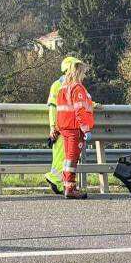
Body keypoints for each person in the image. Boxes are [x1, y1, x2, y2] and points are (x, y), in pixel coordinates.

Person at [55, 60, 96, 199]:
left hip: (65, 127)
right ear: (78, 72)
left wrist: (57, 127)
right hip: (74, 129)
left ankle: (67, 185)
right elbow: (80, 110)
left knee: (68, 159)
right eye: (83, 72)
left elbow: (60, 110)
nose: (84, 75)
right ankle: (70, 189)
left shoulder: (63, 88)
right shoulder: (77, 88)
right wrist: (86, 129)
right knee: (72, 160)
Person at [44, 56, 80, 194]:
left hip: (67, 127)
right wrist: (53, 127)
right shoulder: (58, 85)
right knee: (62, 157)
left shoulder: (73, 85)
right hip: (62, 128)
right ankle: (55, 180)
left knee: (65, 157)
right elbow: (52, 107)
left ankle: (61, 183)